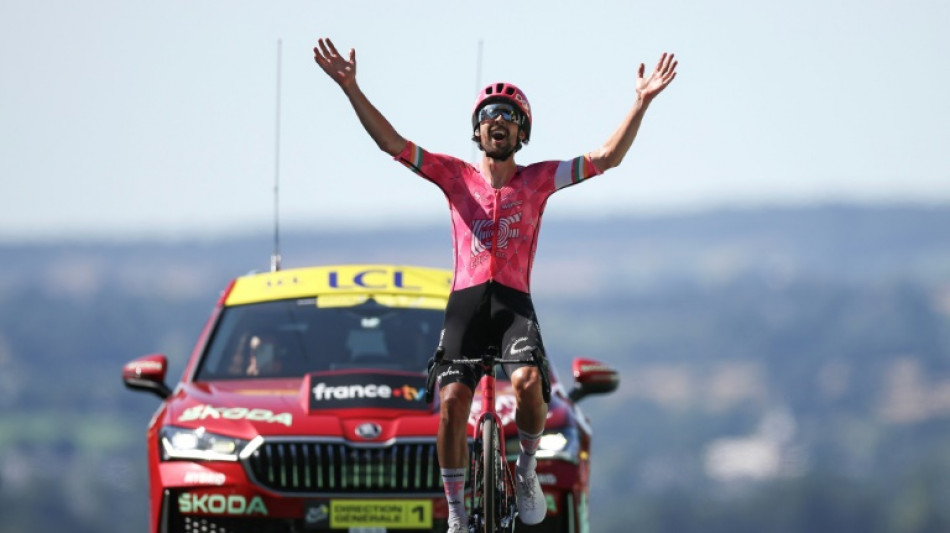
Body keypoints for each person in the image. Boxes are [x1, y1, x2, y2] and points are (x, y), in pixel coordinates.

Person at [313, 37, 677, 532]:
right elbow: (391, 143)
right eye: (488, 115)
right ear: (477, 130)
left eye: (509, 115)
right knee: (450, 405)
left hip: (512, 306)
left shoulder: (539, 179)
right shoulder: (454, 175)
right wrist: (351, 88)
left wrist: (641, 102)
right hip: (466, 305)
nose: (497, 121)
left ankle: (525, 470)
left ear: (521, 132)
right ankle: (457, 513)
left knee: (527, 384)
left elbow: (607, 157)